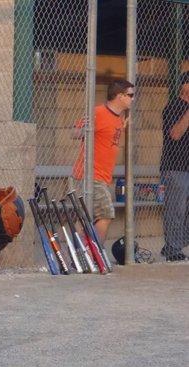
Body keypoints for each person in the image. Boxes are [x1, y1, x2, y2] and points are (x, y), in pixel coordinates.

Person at [71, 79, 135, 244]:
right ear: (120, 96)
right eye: (130, 95)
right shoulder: (98, 112)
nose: (132, 99)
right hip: (90, 174)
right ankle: (95, 254)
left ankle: (82, 255)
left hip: (102, 177)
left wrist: (123, 126)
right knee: (106, 214)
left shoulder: (119, 118)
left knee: (85, 216)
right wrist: (85, 129)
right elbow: (75, 133)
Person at [159, 71, 189, 262]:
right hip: (176, 167)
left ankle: (175, 242)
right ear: (185, 86)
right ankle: (172, 248)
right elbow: (176, 134)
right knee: (176, 209)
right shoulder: (173, 107)